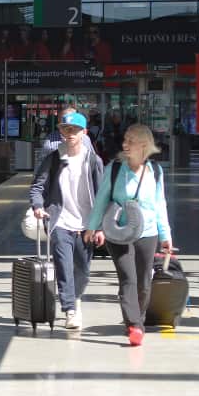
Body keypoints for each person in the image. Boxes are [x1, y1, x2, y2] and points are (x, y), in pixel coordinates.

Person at [85, 124, 173, 346]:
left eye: (130, 141)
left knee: (144, 282)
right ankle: (134, 325)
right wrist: (93, 227)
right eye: (125, 140)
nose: (125, 144)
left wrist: (165, 235)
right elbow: (101, 200)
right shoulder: (115, 169)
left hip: (148, 232)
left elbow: (159, 204)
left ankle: (138, 318)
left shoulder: (156, 171)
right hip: (118, 232)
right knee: (128, 279)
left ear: (144, 145)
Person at [29, 112, 104, 330]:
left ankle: (75, 298)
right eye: (65, 129)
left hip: (86, 224)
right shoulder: (53, 158)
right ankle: (70, 309)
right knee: (63, 264)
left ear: (84, 133)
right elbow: (37, 186)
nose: (69, 133)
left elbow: (101, 194)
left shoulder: (93, 161)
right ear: (60, 132)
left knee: (82, 269)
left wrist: (98, 226)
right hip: (59, 220)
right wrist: (38, 206)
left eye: (74, 129)